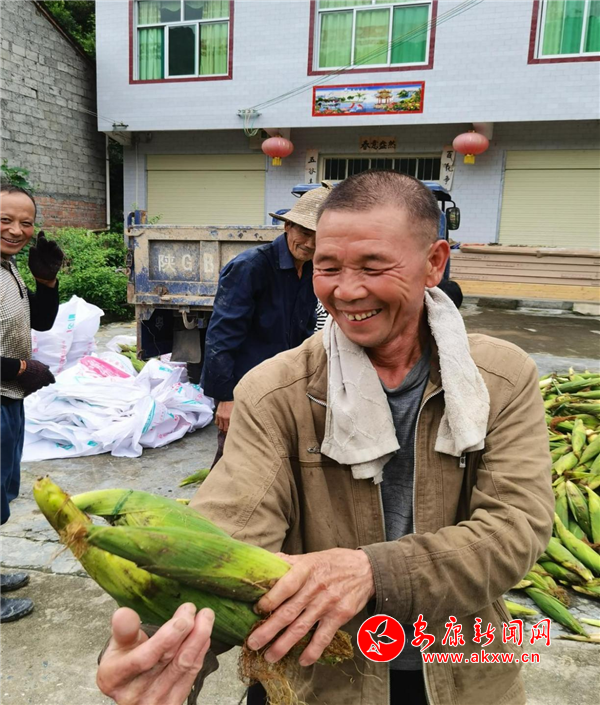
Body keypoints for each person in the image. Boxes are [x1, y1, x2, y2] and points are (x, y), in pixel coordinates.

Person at [97, 171, 554, 705]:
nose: (347, 290)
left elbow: (516, 528)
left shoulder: (499, 377)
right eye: (328, 267)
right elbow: (227, 537)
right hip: (320, 677)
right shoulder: (275, 392)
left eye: (373, 267)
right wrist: (162, 648)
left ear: (434, 262)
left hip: (462, 669)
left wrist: (372, 571)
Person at [201, 185, 332, 467]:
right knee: (234, 462)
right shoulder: (251, 267)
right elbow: (221, 337)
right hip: (245, 386)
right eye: (305, 232)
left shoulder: (312, 269)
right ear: (287, 226)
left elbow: (304, 332)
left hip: (282, 384)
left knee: (271, 460)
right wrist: (225, 398)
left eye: (320, 236)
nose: (311, 243)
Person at [0, 184, 63, 622]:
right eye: (5, 220)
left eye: (26, 222)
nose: (16, 230)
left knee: (2, 491)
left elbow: (40, 321)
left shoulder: (8, 268)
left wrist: (46, 281)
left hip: (7, 398)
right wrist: (21, 368)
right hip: (5, 388)